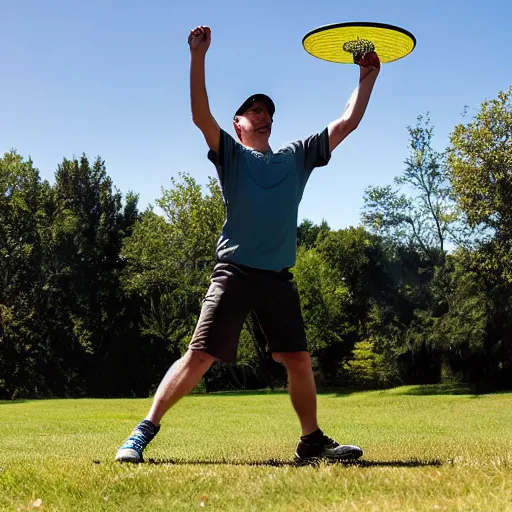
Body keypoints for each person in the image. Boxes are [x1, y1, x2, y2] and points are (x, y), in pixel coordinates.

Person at [115, 25, 380, 464]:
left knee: (298, 359)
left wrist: (366, 78)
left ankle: (311, 441)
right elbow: (201, 117)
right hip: (235, 273)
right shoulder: (233, 157)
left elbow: (347, 121)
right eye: (252, 111)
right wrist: (197, 57)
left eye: (266, 110)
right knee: (200, 356)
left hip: (277, 277)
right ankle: (141, 433)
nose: (261, 114)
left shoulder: (295, 157)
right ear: (239, 125)